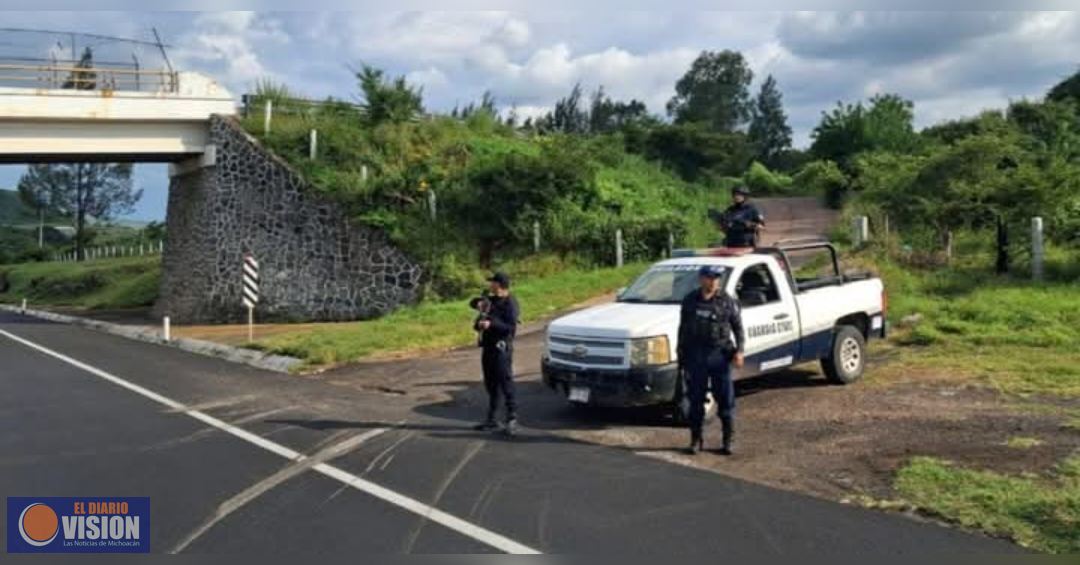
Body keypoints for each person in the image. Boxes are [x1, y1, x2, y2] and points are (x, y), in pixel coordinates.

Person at [677, 265, 746, 455]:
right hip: (696, 357)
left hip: (719, 356)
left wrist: (739, 351)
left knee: (725, 399)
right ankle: (696, 440)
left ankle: (728, 440)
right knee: (695, 401)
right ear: (702, 279)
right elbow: (682, 329)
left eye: (717, 278)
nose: (714, 281)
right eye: (710, 277)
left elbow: (738, 328)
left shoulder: (726, 301)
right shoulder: (690, 300)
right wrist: (681, 355)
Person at [472, 272, 521, 437]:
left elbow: (510, 327)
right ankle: (492, 419)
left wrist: (491, 323)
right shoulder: (490, 301)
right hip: (488, 347)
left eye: (492, 282)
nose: (490, 285)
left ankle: (512, 418)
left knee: (505, 382)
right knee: (490, 383)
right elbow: (473, 303)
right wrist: (479, 308)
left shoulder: (510, 303)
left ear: (499, 284)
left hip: (502, 347)